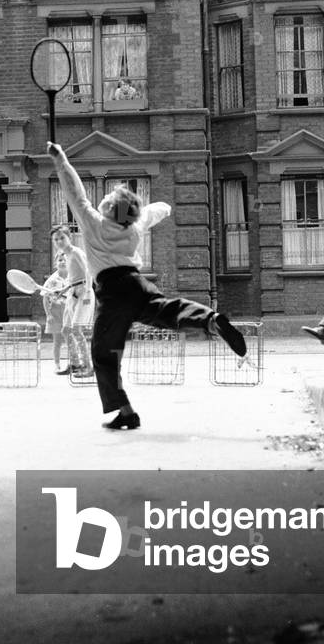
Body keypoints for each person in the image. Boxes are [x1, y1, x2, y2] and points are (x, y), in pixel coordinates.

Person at [48, 140, 246, 431]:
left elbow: (75, 193)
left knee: (104, 353)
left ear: (107, 209)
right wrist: (165, 207)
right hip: (136, 283)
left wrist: (61, 160)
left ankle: (126, 412)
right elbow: (154, 211)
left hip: (112, 293)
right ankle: (211, 320)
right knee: (169, 310)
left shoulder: (94, 223)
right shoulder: (134, 227)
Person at [50, 226, 93, 376]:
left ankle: (88, 367)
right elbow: (72, 279)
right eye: (56, 239)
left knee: (76, 329)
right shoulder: (66, 255)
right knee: (66, 330)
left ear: (69, 237)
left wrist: (87, 292)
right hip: (72, 293)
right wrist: (61, 291)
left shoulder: (75, 252)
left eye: (62, 238)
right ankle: (75, 364)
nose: (59, 241)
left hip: (82, 292)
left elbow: (88, 271)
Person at [40, 253, 70, 374]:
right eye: (60, 260)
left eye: (65, 260)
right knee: (57, 341)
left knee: (70, 340)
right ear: (55, 263)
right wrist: (49, 314)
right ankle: (57, 365)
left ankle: (71, 363)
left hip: (68, 312)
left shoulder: (72, 278)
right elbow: (45, 298)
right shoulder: (51, 280)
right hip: (55, 312)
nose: (62, 262)